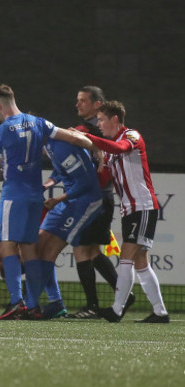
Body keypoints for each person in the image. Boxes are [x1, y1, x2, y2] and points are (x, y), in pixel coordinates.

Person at [0, 84, 95, 320]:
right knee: (28, 248)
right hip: (36, 195)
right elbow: (73, 138)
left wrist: (13, 171)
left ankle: (17, 302)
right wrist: (93, 146)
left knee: (7, 245)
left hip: (14, 195)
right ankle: (33, 305)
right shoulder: (40, 123)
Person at [85, 101, 169, 323]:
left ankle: (116, 309)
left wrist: (90, 140)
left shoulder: (131, 136)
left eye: (101, 120)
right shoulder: (110, 151)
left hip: (142, 206)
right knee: (140, 261)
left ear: (115, 119)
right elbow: (104, 178)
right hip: (130, 209)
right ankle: (160, 313)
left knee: (127, 256)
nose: (99, 125)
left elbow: (121, 148)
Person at [69, 86, 135, 319]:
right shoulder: (93, 131)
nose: (77, 104)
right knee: (91, 250)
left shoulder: (95, 132)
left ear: (98, 104)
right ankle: (122, 293)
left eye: (83, 101)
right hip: (98, 197)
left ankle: (93, 305)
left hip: (95, 198)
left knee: (81, 249)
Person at [31, 136, 104, 319]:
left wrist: (57, 199)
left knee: (51, 250)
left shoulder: (61, 148)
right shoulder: (52, 148)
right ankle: (53, 302)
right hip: (70, 201)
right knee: (39, 245)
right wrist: (46, 185)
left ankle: (31, 304)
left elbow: (85, 183)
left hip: (84, 202)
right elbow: (60, 172)